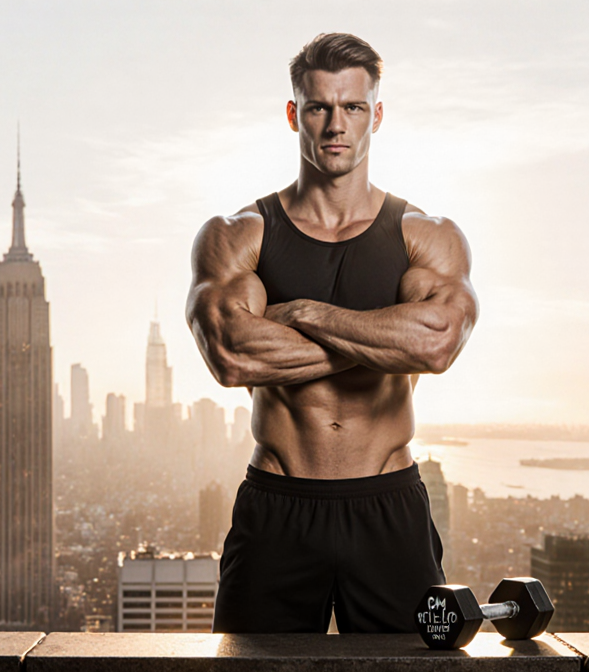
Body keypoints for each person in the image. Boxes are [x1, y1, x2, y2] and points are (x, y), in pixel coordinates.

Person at [186, 33, 478, 634]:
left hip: (388, 505)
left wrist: (308, 315)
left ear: (377, 115)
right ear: (295, 114)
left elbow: (436, 343)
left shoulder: (427, 235)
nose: (335, 125)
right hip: (278, 505)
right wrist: (383, 340)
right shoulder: (240, 234)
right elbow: (232, 355)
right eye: (319, 107)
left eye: (353, 108)